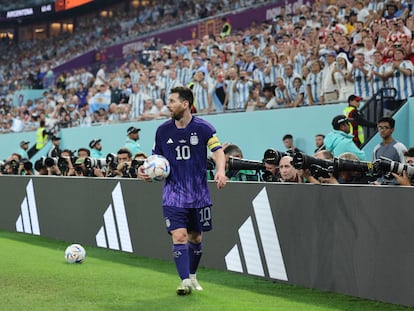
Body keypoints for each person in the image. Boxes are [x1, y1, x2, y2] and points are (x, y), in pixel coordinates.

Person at [137, 86, 226, 296]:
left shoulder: (204, 128)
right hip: (173, 195)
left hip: (199, 195)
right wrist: (144, 171)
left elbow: (218, 152)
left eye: (172, 101)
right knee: (179, 236)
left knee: (195, 238)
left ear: (185, 104)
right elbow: (154, 160)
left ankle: (192, 276)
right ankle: (184, 281)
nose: (168, 105)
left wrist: (220, 171)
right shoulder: (162, 131)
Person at [373, 117, 407, 184]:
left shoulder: (400, 147)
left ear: (392, 129)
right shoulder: (376, 148)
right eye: (380, 127)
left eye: (385, 127)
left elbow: (405, 169)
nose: (382, 130)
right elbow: (374, 168)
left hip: (396, 187)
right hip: (380, 187)